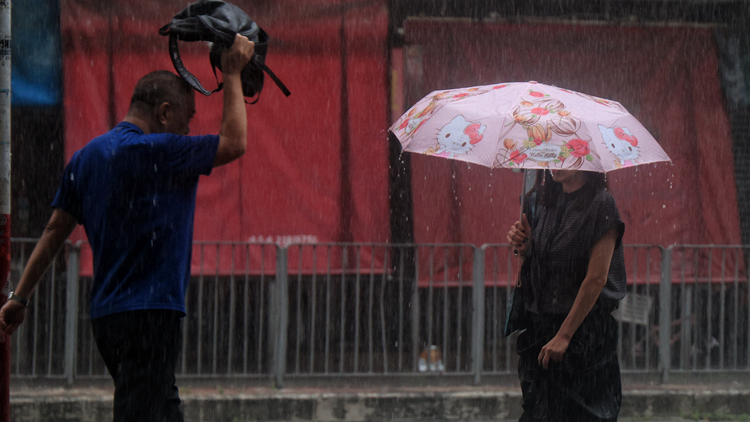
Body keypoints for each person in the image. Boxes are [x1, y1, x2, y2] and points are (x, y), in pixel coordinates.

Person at [0, 34, 256, 422]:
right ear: (165, 113)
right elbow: (235, 142)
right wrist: (233, 73)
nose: (187, 133)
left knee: (161, 409)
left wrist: (19, 297)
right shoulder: (164, 152)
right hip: (150, 314)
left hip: (107, 317)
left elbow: (54, 230)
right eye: (186, 120)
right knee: (141, 413)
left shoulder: (85, 159)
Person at [506, 169, 627, 422]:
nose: (557, 163)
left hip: (584, 335)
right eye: (554, 156)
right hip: (543, 330)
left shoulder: (601, 203)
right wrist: (524, 248)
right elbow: (538, 268)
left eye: (567, 155)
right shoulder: (541, 201)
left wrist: (564, 335)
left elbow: (596, 278)